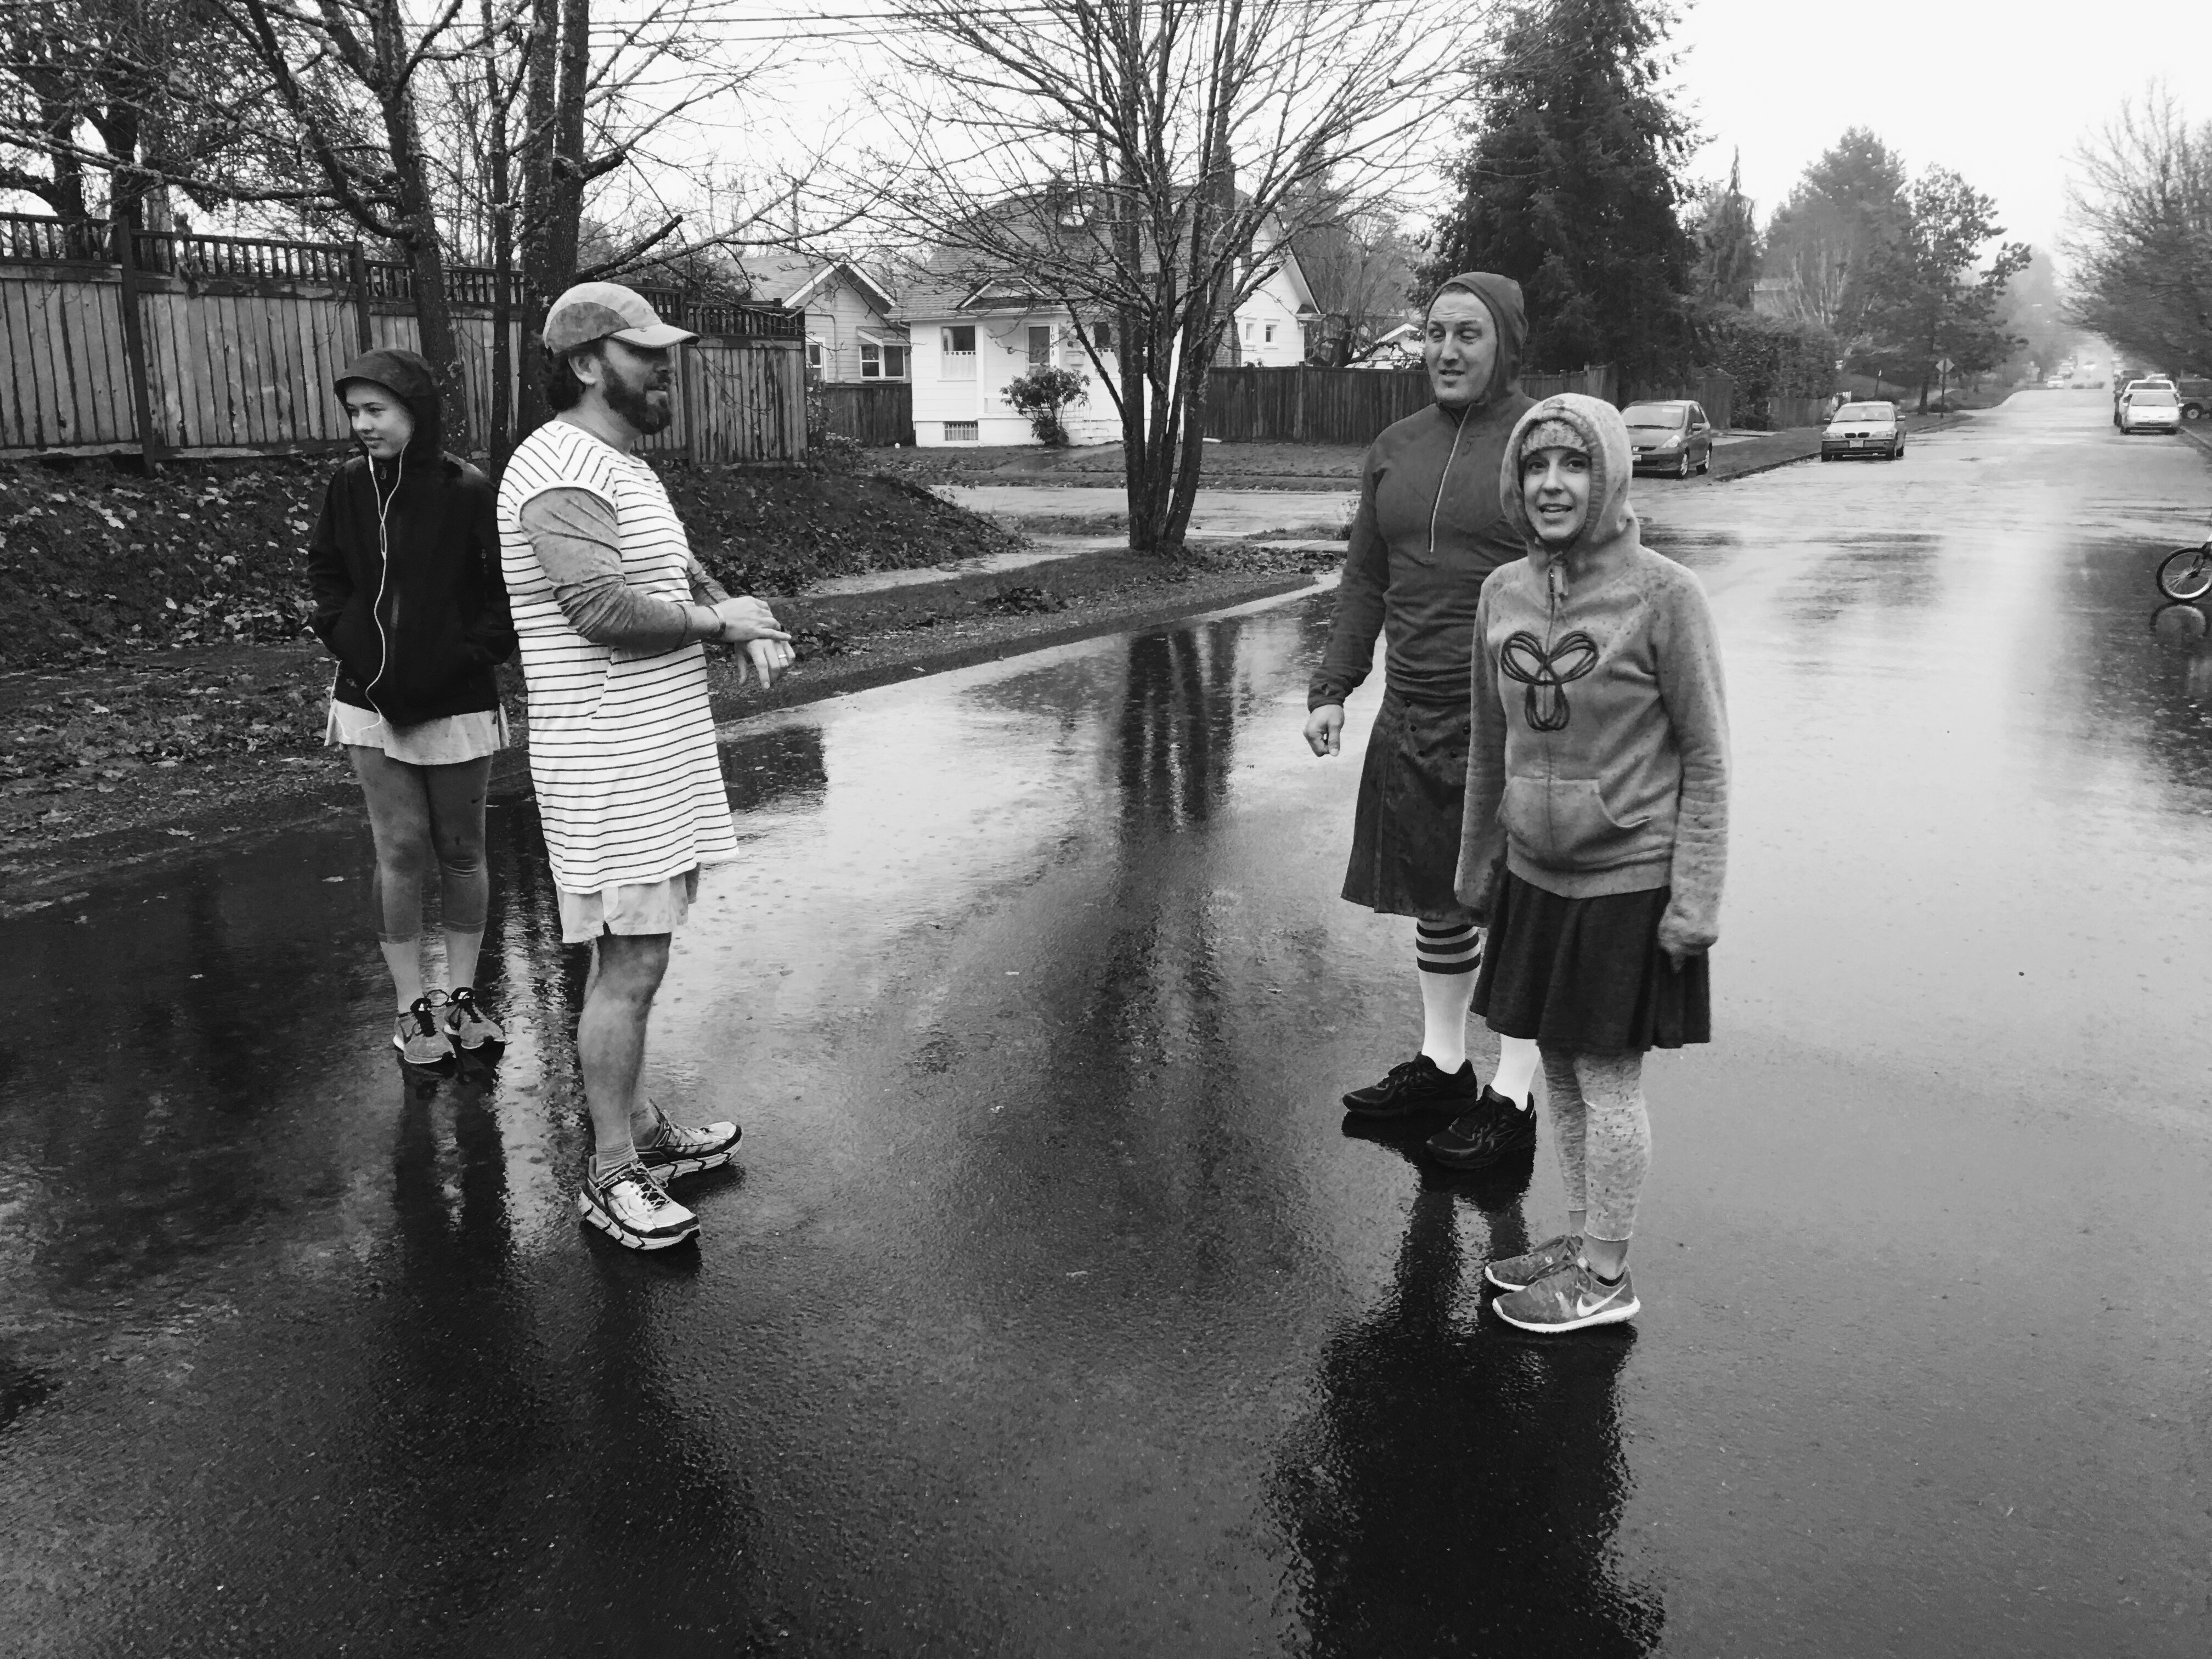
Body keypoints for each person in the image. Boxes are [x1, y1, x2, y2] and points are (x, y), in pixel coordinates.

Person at [498, 281, 795, 1251]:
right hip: (608, 759)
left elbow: (671, 569)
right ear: (587, 365)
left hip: (655, 751)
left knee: (633, 956)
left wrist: (728, 612)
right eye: (644, 354)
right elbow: (601, 608)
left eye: (666, 352)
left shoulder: (620, 465)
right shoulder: (557, 470)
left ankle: (639, 1129)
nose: (666, 369)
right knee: (632, 959)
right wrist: (721, 623)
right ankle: (613, 1172)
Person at [1456, 393, 1729, 1332]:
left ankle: (1608, 1279)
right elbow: (1489, 746)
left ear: (1609, 474)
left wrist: (1694, 898)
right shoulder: (1503, 594)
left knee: (1608, 1081)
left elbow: (1708, 755)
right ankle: (1583, 1238)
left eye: (1574, 464)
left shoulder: (1666, 596)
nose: (1552, 484)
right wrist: (1476, 865)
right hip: (1536, 874)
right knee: (1559, 1070)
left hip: (1629, 878)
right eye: (1536, 466)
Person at [1304, 272, 1547, 1167]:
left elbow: (1587, 576)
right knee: (1437, 893)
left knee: (1518, 905)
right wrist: (1333, 686)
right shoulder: (1394, 447)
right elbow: (1365, 577)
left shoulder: (1539, 443)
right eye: (1436, 333)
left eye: (1469, 335)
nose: (1447, 350)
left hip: (1515, 717)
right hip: (1411, 710)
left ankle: (1513, 1095)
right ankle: (1444, 1064)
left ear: (1505, 346)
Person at [309, 347, 516, 1066]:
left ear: (415, 413)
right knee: (398, 849)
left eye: (377, 411)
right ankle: (410, 1007)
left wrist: (460, 659)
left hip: (456, 701)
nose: (362, 425)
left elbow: (501, 599)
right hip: (368, 699)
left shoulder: (467, 489)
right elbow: (327, 577)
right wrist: (351, 643)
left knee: (460, 850)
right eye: (354, 413)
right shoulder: (345, 486)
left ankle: (461, 995)